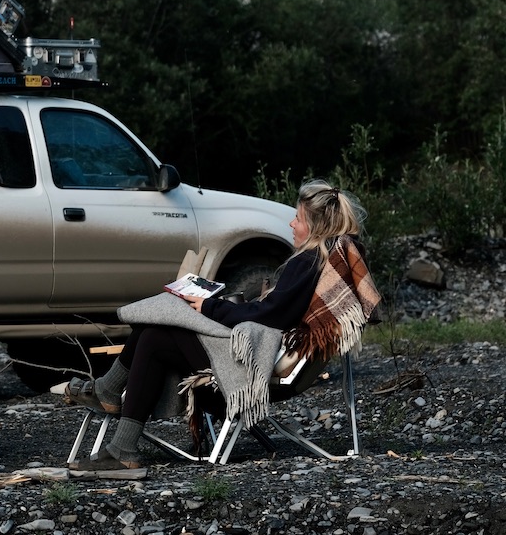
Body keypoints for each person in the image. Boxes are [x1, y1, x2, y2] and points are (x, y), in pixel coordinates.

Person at [65, 179, 381, 470]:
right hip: (259, 352)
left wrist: (210, 306)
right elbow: (275, 311)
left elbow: (270, 315)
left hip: (251, 363)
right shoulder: (320, 262)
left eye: (297, 218)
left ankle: (113, 412)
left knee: (158, 325)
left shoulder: (308, 263)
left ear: (313, 226)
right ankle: (118, 436)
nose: (291, 224)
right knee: (154, 333)